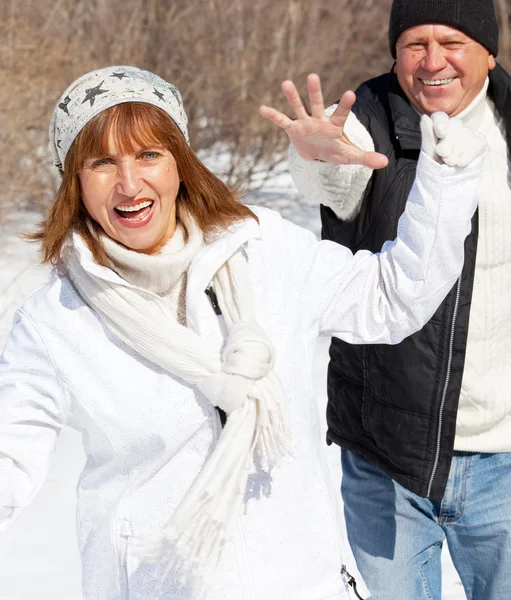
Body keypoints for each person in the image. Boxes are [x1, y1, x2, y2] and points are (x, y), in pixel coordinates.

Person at [0, 65, 485, 600]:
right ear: (74, 181)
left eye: (148, 155)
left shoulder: (262, 248)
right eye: (102, 163)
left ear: (180, 163)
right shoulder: (55, 322)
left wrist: (445, 176)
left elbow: (394, 299)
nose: (129, 184)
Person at [259, 0, 511, 598]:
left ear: (489, 51)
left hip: (502, 453)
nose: (431, 62)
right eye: (413, 44)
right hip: (387, 458)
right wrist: (314, 160)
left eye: (450, 42)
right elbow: (336, 176)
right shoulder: (366, 118)